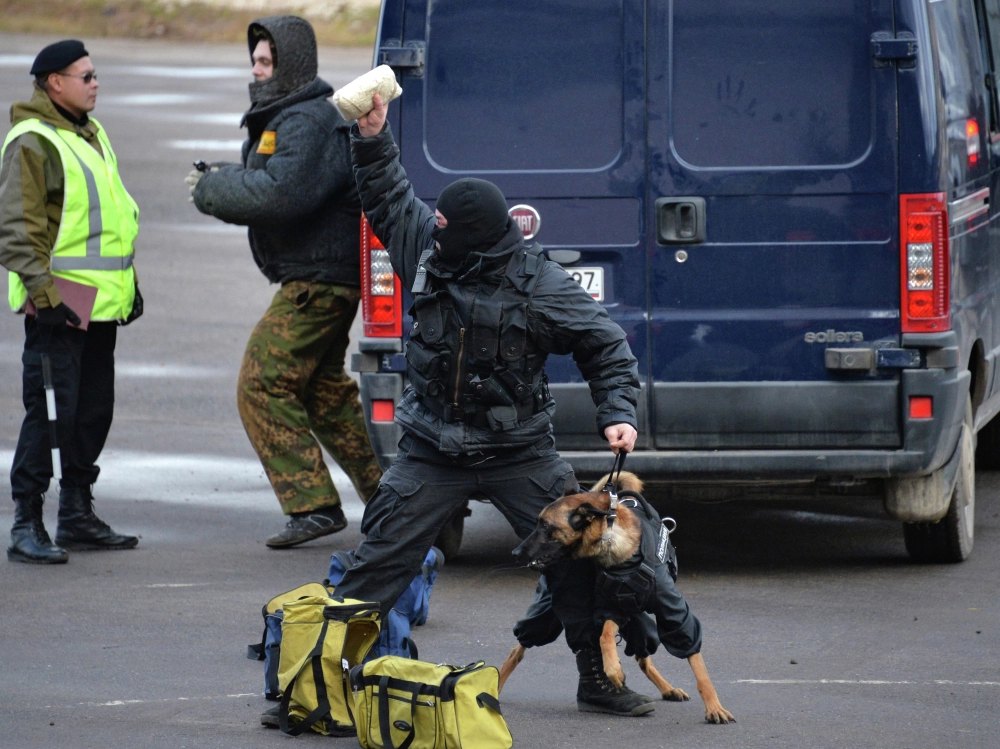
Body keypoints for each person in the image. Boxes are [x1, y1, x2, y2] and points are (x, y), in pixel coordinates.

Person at [330, 91, 656, 715]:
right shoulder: (428, 251)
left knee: (575, 565)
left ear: (475, 233)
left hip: (518, 451)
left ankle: (599, 679)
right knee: (377, 561)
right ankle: (326, 684)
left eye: (448, 226)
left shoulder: (538, 284)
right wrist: (371, 136)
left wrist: (618, 410)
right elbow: (390, 194)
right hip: (431, 445)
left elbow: (606, 343)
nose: (435, 230)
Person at [189, 16, 382, 548]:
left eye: (266, 61)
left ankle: (313, 504)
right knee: (324, 394)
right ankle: (400, 503)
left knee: (261, 381)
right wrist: (227, 175)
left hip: (319, 282)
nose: (255, 70)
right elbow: (277, 179)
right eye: (253, 60)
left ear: (290, 65)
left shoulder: (306, 121)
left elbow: (280, 195)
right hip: (325, 277)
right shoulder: (295, 118)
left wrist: (212, 188)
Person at [1, 40, 141, 564]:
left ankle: (77, 514)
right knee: (49, 415)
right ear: (53, 83)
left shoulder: (89, 131)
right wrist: (45, 297)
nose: (95, 82)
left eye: (95, 73)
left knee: (90, 412)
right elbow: (17, 231)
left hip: (101, 306)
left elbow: (111, 217)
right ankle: (26, 522)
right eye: (85, 76)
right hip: (57, 308)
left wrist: (132, 287)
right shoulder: (32, 141)